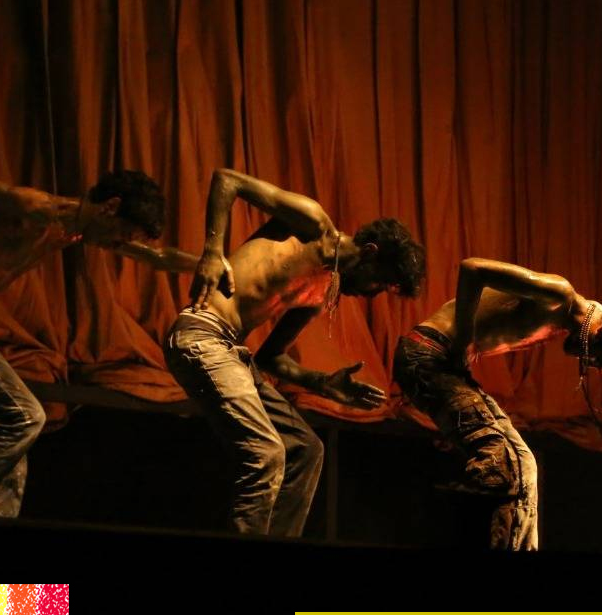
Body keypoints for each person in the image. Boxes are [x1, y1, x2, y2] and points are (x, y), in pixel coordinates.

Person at [0, 166, 182, 517]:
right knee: (26, 417)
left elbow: (157, 258)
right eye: (122, 234)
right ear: (110, 207)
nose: (118, 245)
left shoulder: (70, 231)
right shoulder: (38, 207)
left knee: (12, 453)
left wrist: (213, 263)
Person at [166, 168, 424, 535]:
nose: (372, 293)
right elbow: (227, 181)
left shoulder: (320, 292)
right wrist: (212, 252)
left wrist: (322, 383)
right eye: (379, 282)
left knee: (306, 449)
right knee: (266, 453)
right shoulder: (313, 224)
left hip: (232, 352)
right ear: (370, 253)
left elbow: (270, 358)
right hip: (201, 335)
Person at [392, 258, 602, 550]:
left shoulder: (599, 327)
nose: (588, 361)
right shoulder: (558, 295)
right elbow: (473, 269)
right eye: (596, 358)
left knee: (522, 463)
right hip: (427, 356)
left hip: (441, 366)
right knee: (510, 463)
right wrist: (464, 338)